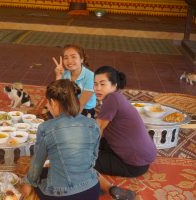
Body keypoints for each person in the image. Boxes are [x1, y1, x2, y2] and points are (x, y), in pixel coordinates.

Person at [21, 79, 101, 200]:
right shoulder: (92, 124)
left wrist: (28, 183)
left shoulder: (46, 127)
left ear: (53, 102)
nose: (47, 106)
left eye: (47, 103)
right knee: (46, 171)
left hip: (62, 195)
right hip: (92, 190)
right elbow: (93, 157)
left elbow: (37, 163)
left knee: (35, 175)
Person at [94, 66, 157, 198]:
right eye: (95, 84)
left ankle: (109, 188)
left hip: (133, 165)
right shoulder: (116, 98)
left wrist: (83, 150)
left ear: (114, 85)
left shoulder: (111, 99)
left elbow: (98, 129)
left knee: (82, 159)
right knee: (96, 144)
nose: (98, 88)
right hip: (142, 158)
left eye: (102, 84)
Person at [52, 44, 97, 118]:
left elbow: (81, 104)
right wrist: (58, 76)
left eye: (73, 57)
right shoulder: (65, 74)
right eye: (66, 58)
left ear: (82, 59)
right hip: (67, 107)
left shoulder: (90, 77)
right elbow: (56, 95)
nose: (69, 61)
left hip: (84, 110)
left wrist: (67, 122)